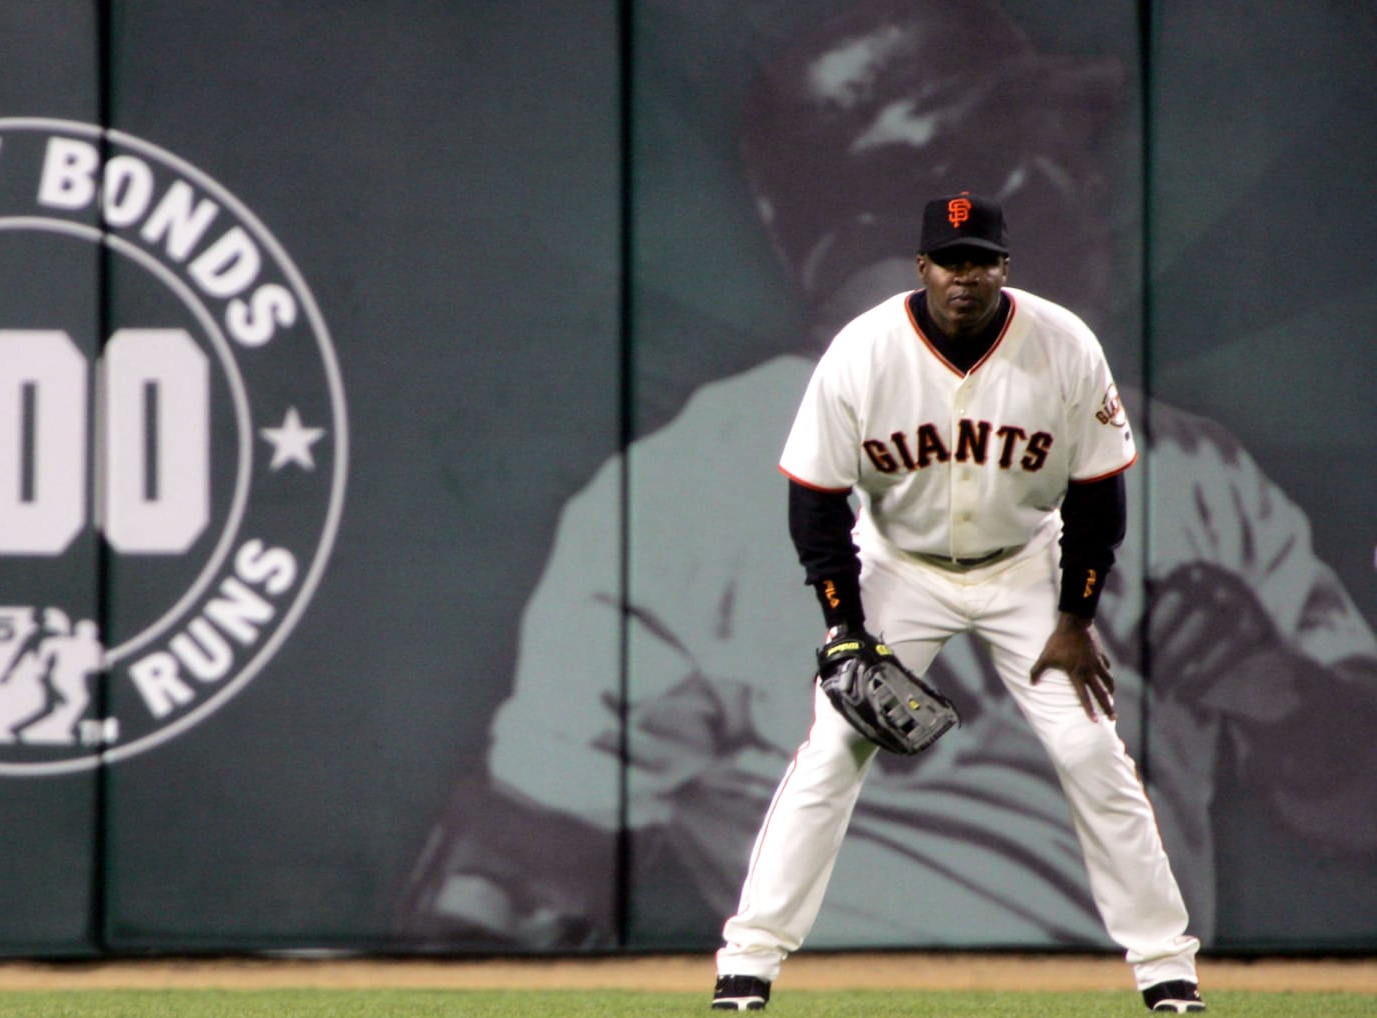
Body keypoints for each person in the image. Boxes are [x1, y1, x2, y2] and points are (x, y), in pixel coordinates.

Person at [393, 0, 1377, 960]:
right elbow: (514, 880)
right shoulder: (692, 492)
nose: (1088, 186)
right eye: (1053, 152)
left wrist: (1288, 704)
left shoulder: (1190, 470)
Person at [711, 192, 1203, 1013]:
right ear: (922, 267)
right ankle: (747, 962)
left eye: (980, 259)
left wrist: (1076, 617)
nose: (964, 276)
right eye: (949, 260)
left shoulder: (1065, 346)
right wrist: (845, 628)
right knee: (832, 749)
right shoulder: (863, 351)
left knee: (1091, 752)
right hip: (901, 568)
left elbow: (1098, 496)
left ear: (1005, 268)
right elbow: (816, 501)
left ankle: (1166, 968)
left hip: (1023, 573)